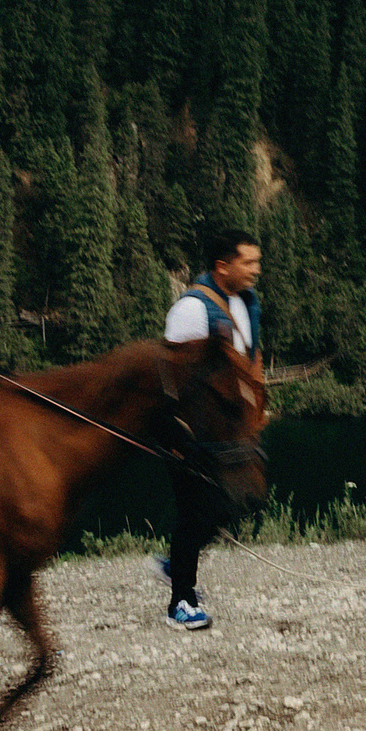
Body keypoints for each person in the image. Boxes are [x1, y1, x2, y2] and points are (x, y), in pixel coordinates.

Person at [153, 227, 263, 632]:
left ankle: (176, 562)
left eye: (257, 261)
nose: (255, 270)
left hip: (226, 430)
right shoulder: (191, 311)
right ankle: (180, 602)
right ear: (223, 266)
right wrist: (181, 439)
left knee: (236, 501)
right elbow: (170, 378)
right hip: (189, 433)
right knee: (195, 511)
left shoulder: (246, 303)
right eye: (248, 263)